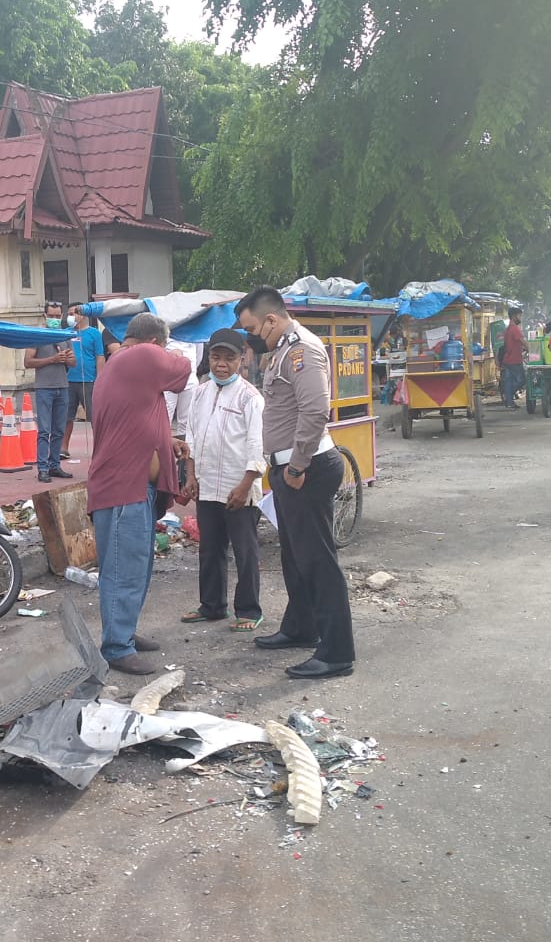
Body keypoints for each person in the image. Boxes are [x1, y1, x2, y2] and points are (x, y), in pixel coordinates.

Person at [234, 286, 355, 680]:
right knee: (295, 555)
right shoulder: (282, 350)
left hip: (309, 467)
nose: (253, 337)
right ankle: (301, 627)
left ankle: (336, 651)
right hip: (290, 468)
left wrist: (298, 467)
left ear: (271, 319)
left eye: (253, 328)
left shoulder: (303, 350)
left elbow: (316, 410)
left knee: (318, 561)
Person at [87, 312, 191, 675]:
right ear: (155, 342)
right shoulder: (140, 356)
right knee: (123, 569)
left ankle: (124, 632)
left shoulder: (121, 366)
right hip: (122, 488)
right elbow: (184, 369)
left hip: (132, 487)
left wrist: (168, 443)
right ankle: (117, 645)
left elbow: (138, 419)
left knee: (137, 566)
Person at [180, 328, 266, 632]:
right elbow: (191, 437)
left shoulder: (250, 398)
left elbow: (256, 448)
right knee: (210, 549)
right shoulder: (201, 392)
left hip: (237, 488)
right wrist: (191, 475)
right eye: (216, 357)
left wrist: (245, 486)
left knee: (245, 551)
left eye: (228, 358)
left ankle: (249, 610)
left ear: (240, 360)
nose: (221, 364)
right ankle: (212, 606)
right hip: (206, 487)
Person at [24, 301, 75, 483]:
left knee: (59, 430)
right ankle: (42, 468)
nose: (55, 319)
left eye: (57, 316)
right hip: (44, 388)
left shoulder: (65, 335)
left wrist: (68, 359)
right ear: (44, 316)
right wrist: (52, 359)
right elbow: (28, 362)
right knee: (44, 430)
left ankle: (55, 466)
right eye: (51, 316)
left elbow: (73, 363)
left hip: (63, 387)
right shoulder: (37, 335)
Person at [62, 304, 105, 459]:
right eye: (68, 313)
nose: (70, 316)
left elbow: (100, 357)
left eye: (73, 313)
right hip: (68, 381)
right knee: (67, 417)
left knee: (95, 417)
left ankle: (99, 450)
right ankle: (63, 448)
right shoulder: (65, 333)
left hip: (89, 381)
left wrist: (100, 380)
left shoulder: (94, 334)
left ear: (82, 315)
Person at [500, 307, 526, 410]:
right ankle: (508, 395)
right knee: (521, 380)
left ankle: (510, 402)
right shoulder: (514, 328)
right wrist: (534, 351)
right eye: (520, 315)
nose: (521, 318)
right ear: (515, 316)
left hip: (507, 359)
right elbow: (523, 342)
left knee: (509, 381)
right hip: (514, 360)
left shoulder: (508, 328)